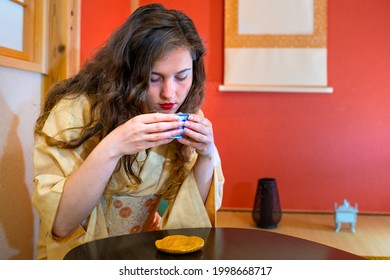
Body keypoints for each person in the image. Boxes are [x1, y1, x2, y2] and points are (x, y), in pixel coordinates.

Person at [32, 3, 224, 260]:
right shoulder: (75, 111)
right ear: (126, 71)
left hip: (143, 250)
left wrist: (207, 155)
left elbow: (187, 218)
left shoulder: (182, 113)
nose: (169, 94)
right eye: (153, 78)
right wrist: (113, 146)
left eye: (182, 76)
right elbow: (62, 224)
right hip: (80, 254)